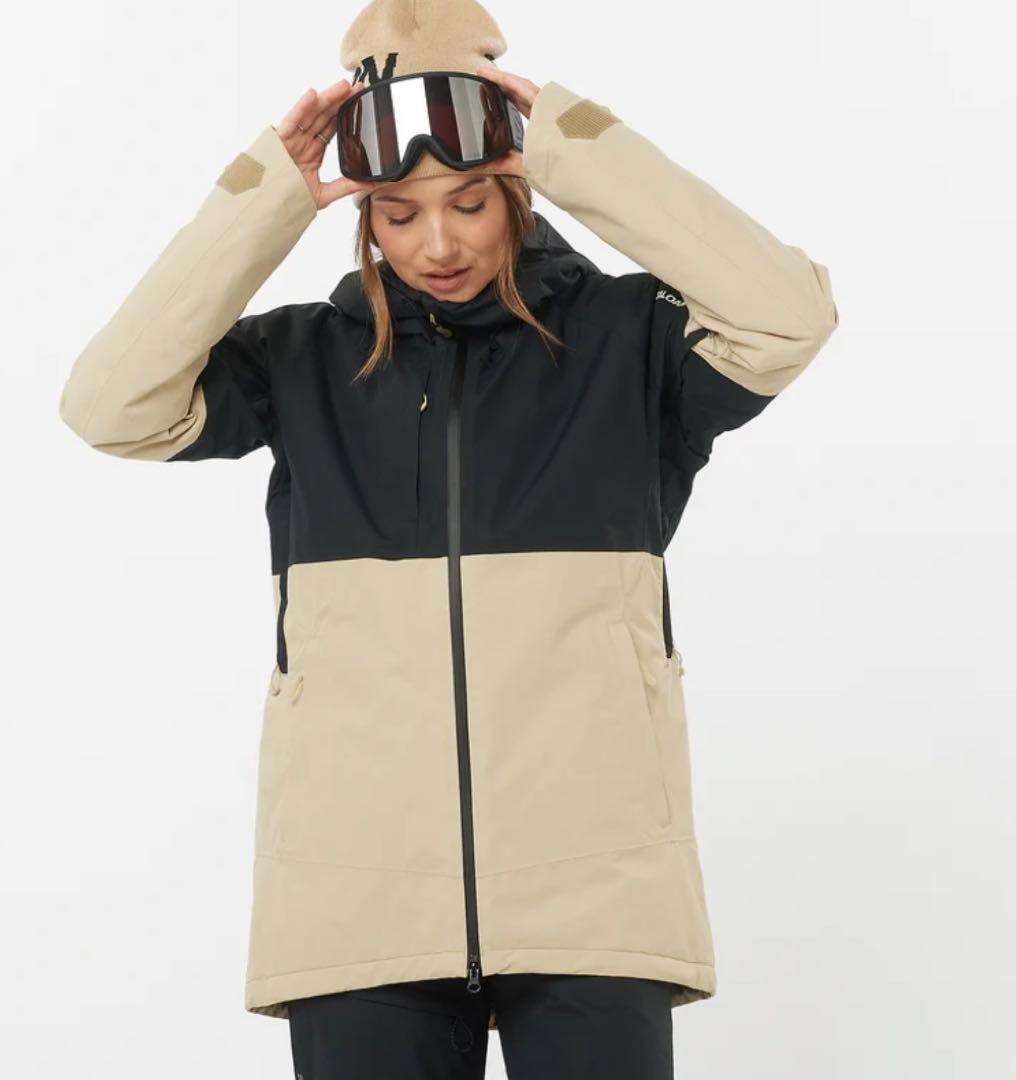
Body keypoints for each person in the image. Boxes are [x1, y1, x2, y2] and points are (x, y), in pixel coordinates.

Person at [57, 0, 839, 1075]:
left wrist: (579, 144)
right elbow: (109, 407)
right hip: (356, 894)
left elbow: (790, 314)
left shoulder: (629, 344)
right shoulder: (305, 360)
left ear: (518, 184)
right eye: (396, 214)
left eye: (469, 203)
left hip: (594, 884)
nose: (437, 244)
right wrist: (263, 200)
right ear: (361, 218)